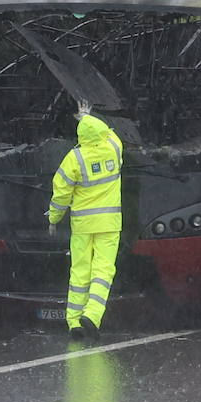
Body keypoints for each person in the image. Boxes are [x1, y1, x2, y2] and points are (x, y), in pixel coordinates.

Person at [48, 102, 124, 341]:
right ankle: (92, 315)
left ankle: (73, 322)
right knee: (103, 272)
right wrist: (88, 116)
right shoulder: (114, 147)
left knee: (79, 272)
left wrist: (53, 218)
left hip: (82, 226)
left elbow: (60, 193)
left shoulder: (74, 158)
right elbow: (110, 132)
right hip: (109, 224)